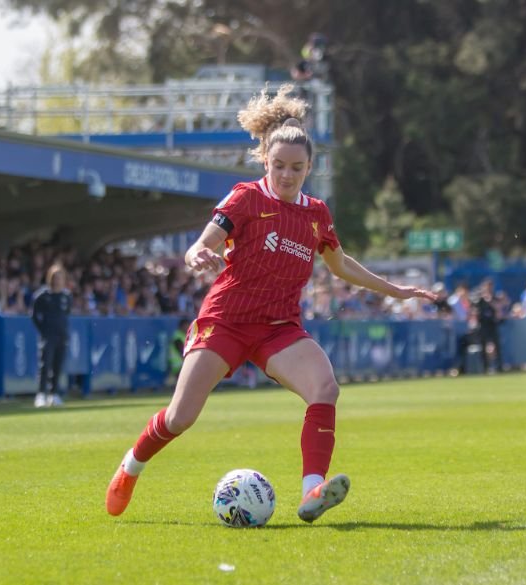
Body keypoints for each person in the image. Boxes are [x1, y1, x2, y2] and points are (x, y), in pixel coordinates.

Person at [105, 84, 436, 523]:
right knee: (180, 418)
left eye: (296, 168)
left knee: (325, 389)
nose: (286, 175)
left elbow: (340, 265)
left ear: (310, 167)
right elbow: (203, 242)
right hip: (224, 321)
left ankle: (311, 490)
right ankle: (130, 468)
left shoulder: (316, 213)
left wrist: (395, 290)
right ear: (265, 160)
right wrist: (197, 254)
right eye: (278, 165)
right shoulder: (245, 197)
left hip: (278, 327)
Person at [30, 264, 71, 408]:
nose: (58, 280)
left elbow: (66, 314)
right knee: (45, 365)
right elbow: (34, 316)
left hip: (62, 336)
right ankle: (41, 394)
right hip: (48, 337)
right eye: (56, 277)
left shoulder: (66, 296)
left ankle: (54, 394)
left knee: (57, 366)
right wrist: (43, 330)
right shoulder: (42, 296)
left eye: (61, 277)